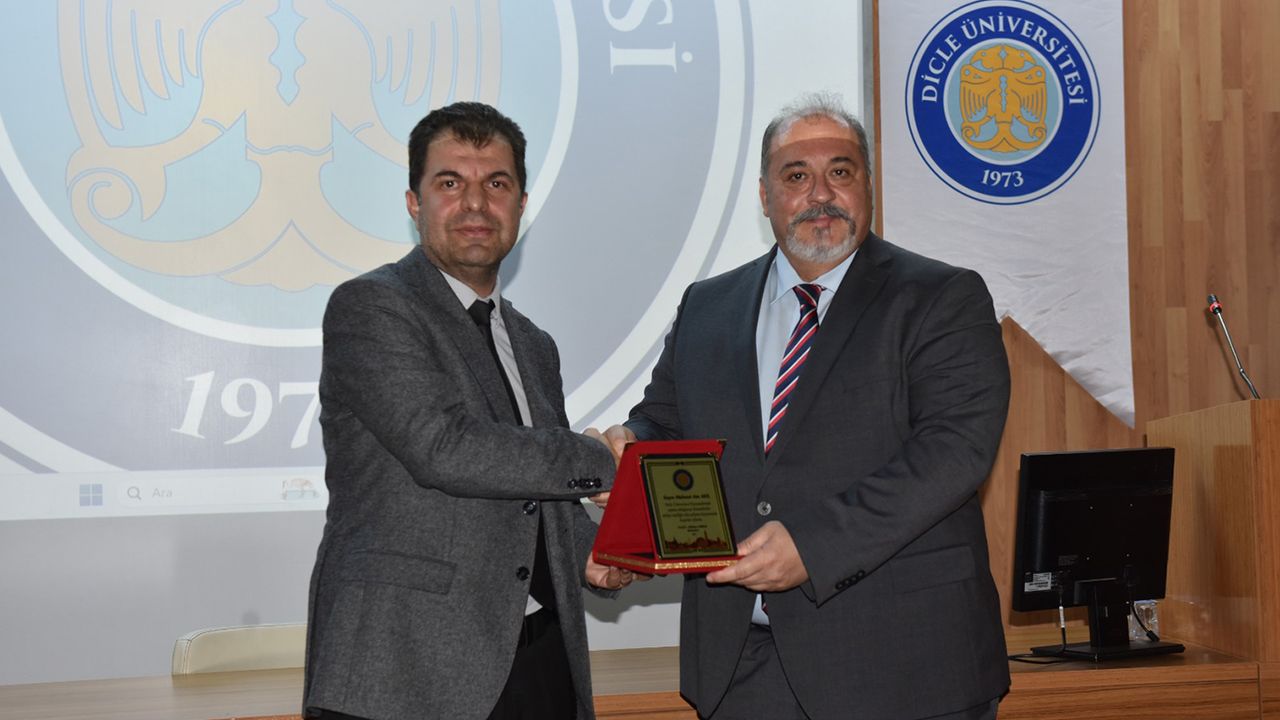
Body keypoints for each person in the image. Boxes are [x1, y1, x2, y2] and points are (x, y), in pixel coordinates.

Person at [604, 93, 1011, 719]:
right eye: (796, 176)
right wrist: (628, 447)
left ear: (867, 184)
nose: (820, 193)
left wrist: (813, 546)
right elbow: (665, 423)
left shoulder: (942, 297)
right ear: (765, 196)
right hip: (741, 669)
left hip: (905, 671)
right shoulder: (707, 306)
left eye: (840, 171)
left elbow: (953, 453)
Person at [304, 101, 633, 720]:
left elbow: (534, 492)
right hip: (404, 668)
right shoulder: (372, 307)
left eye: (497, 184)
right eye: (451, 183)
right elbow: (445, 449)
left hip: (538, 659)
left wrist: (595, 555)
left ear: (521, 206)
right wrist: (603, 459)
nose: (476, 204)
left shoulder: (534, 345)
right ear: (414, 203)